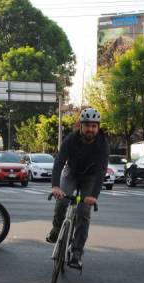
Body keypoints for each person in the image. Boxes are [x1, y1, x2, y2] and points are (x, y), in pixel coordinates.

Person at [47, 107, 109, 269]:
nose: (90, 129)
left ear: (98, 127)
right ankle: (56, 227)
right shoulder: (71, 139)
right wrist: (55, 186)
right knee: (61, 201)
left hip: (90, 177)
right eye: (87, 125)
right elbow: (59, 162)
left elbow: (102, 170)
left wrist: (94, 195)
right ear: (80, 126)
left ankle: (77, 251)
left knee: (83, 211)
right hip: (71, 172)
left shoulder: (102, 144)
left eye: (94, 126)